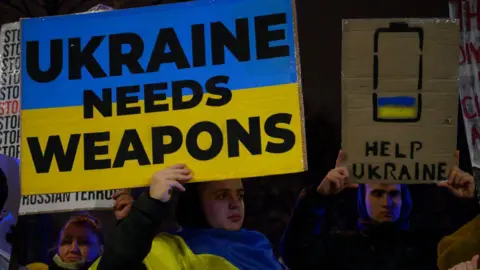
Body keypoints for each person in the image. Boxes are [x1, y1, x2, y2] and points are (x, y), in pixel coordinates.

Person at [280, 150, 478, 270]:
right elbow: (294, 256)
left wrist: (467, 202)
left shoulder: (426, 247)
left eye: (394, 194)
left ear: (404, 199)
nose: (387, 203)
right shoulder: (341, 247)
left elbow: (467, 250)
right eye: (377, 194)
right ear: (362, 199)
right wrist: (318, 196)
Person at [90, 164, 283, 270]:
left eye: (239, 195)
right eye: (222, 196)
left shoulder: (258, 243)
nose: (235, 203)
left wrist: (312, 203)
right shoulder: (169, 250)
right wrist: (150, 204)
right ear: (195, 203)